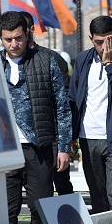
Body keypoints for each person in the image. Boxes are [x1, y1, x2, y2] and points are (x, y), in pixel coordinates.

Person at [0, 11, 72, 224]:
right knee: (5, 211)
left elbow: (62, 107)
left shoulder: (45, 61)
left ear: (27, 33)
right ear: (1, 37)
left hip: (39, 148)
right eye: (8, 39)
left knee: (41, 209)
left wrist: (64, 147)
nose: (14, 44)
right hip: (4, 149)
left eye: (18, 37)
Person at [69, 16, 112, 213]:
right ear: (91, 38)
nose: (103, 47)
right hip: (88, 137)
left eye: (108, 40)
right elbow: (74, 97)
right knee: (97, 193)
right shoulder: (83, 59)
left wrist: (109, 65)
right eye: (98, 42)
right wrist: (71, 135)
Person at [21, 12, 73, 195]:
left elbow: (65, 100)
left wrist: (64, 142)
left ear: (30, 31)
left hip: (52, 136)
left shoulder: (51, 59)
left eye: (21, 34)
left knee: (61, 183)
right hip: (27, 141)